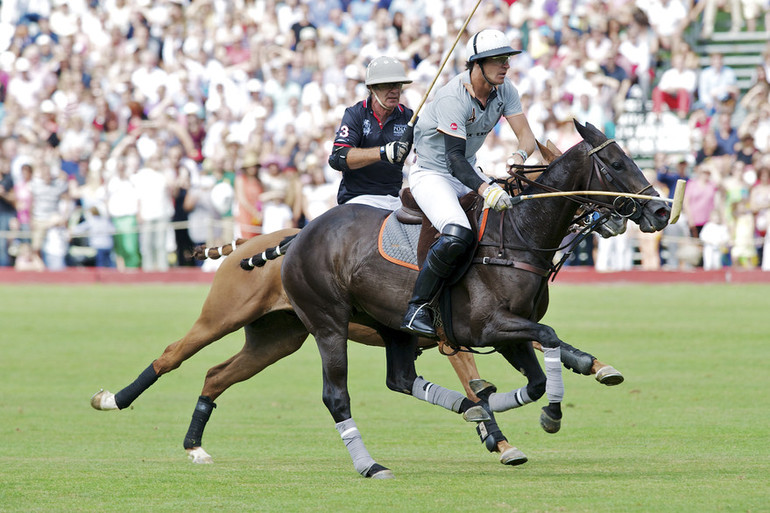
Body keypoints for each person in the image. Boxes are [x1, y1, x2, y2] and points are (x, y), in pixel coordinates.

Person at [401, 29, 536, 337]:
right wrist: (487, 188)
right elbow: (454, 161)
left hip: (468, 169)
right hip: (433, 173)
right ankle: (417, 307)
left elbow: (527, 137)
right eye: (499, 60)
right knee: (457, 232)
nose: (506, 66)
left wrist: (519, 154)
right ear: (478, 64)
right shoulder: (452, 97)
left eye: (507, 60)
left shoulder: (505, 90)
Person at [327, 55, 414, 211]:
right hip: (359, 198)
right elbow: (338, 158)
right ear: (372, 88)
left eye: (398, 85)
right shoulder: (355, 114)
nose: (394, 91)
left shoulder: (409, 117)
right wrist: (383, 152)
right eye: (387, 85)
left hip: (395, 198)